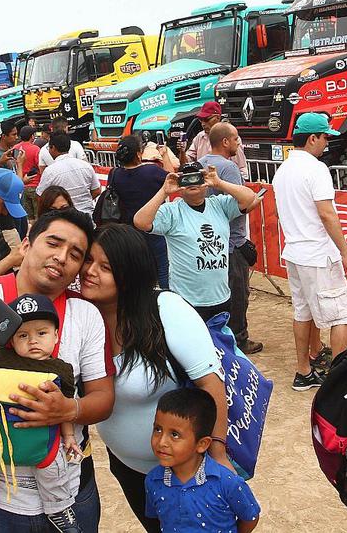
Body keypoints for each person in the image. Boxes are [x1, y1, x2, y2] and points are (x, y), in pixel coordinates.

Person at [0, 208, 114, 533]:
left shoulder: (84, 314)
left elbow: (103, 398)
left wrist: (68, 410)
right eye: (53, 243)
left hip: (71, 494)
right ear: (27, 244)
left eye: (75, 254)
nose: (62, 257)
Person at [84, 224, 229, 532]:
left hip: (183, 473)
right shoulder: (82, 315)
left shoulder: (164, 309)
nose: (90, 272)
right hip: (127, 467)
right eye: (88, 260)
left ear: (129, 274)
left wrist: (217, 454)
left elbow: (211, 382)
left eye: (105, 267)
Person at [0, 294, 85, 532]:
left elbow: (63, 408)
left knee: (54, 471)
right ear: (12, 340)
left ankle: (59, 508)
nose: (33, 341)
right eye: (23, 335)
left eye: (41, 333)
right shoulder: (1, 359)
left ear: (56, 336)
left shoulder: (61, 369)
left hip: (41, 439)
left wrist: (69, 436)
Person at [272, 113, 347, 391]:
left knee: (303, 313)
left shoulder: (283, 170)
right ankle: (338, 382)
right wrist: (346, 252)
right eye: (325, 137)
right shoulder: (316, 169)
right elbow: (327, 214)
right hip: (318, 254)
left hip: (295, 253)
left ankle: (303, 371)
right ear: (312, 139)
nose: (327, 143)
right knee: (341, 316)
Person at [133, 163, 255, 322]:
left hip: (221, 297)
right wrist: (164, 191)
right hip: (187, 301)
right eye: (186, 178)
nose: (192, 182)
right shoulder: (172, 211)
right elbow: (140, 221)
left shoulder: (219, 205)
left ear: (204, 181)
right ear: (179, 184)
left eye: (197, 177)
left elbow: (249, 197)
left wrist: (219, 183)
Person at [145, 387, 260, 533]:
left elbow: (250, 518)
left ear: (202, 444)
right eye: (158, 429)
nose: (162, 442)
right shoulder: (153, 481)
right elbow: (156, 517)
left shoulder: (227, 482)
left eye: (174, 434)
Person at [199, 122, 264, 354]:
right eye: (236, 138)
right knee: (237, 294)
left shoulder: (202, 163)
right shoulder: (229, 167)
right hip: (232, 242)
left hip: (210, 242)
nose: (239, 143)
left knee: (218, 293)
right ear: (225, 142)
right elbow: (241, 203)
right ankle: (238, 339)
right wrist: (254, 201)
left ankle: (218, 337)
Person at [110, 136, 172, 289]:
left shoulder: (114, 174)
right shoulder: (151, 171)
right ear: (139, 154)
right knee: (162, 267)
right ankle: (165, 294)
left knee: (137, 269)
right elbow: (172, 178)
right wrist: (164, 154)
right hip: (155, 227)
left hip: (129, 231)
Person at [36, 134, 101, 216]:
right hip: (87, 214)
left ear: (53, 148)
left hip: (64, 218)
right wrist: (83, 202)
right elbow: (97, 191)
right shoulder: (86, 166)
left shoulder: (50, 171)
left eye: (49, 148)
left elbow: (40, 196)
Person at [182, 101, 248, 180]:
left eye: (206, 119)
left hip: (227, 182)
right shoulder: (200, 137)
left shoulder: (231, 137)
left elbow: (242, 169)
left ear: (218, 118)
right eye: (200, 120)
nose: (203, 124)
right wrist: (182, 151)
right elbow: (186, 163)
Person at [12, 126, 41, 218]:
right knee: (38, 216)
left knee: (28, 217)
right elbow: (40, 166)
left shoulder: (15, 148)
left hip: (21, 186)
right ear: (32, 136)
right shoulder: (36, 149)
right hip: (35, 185)